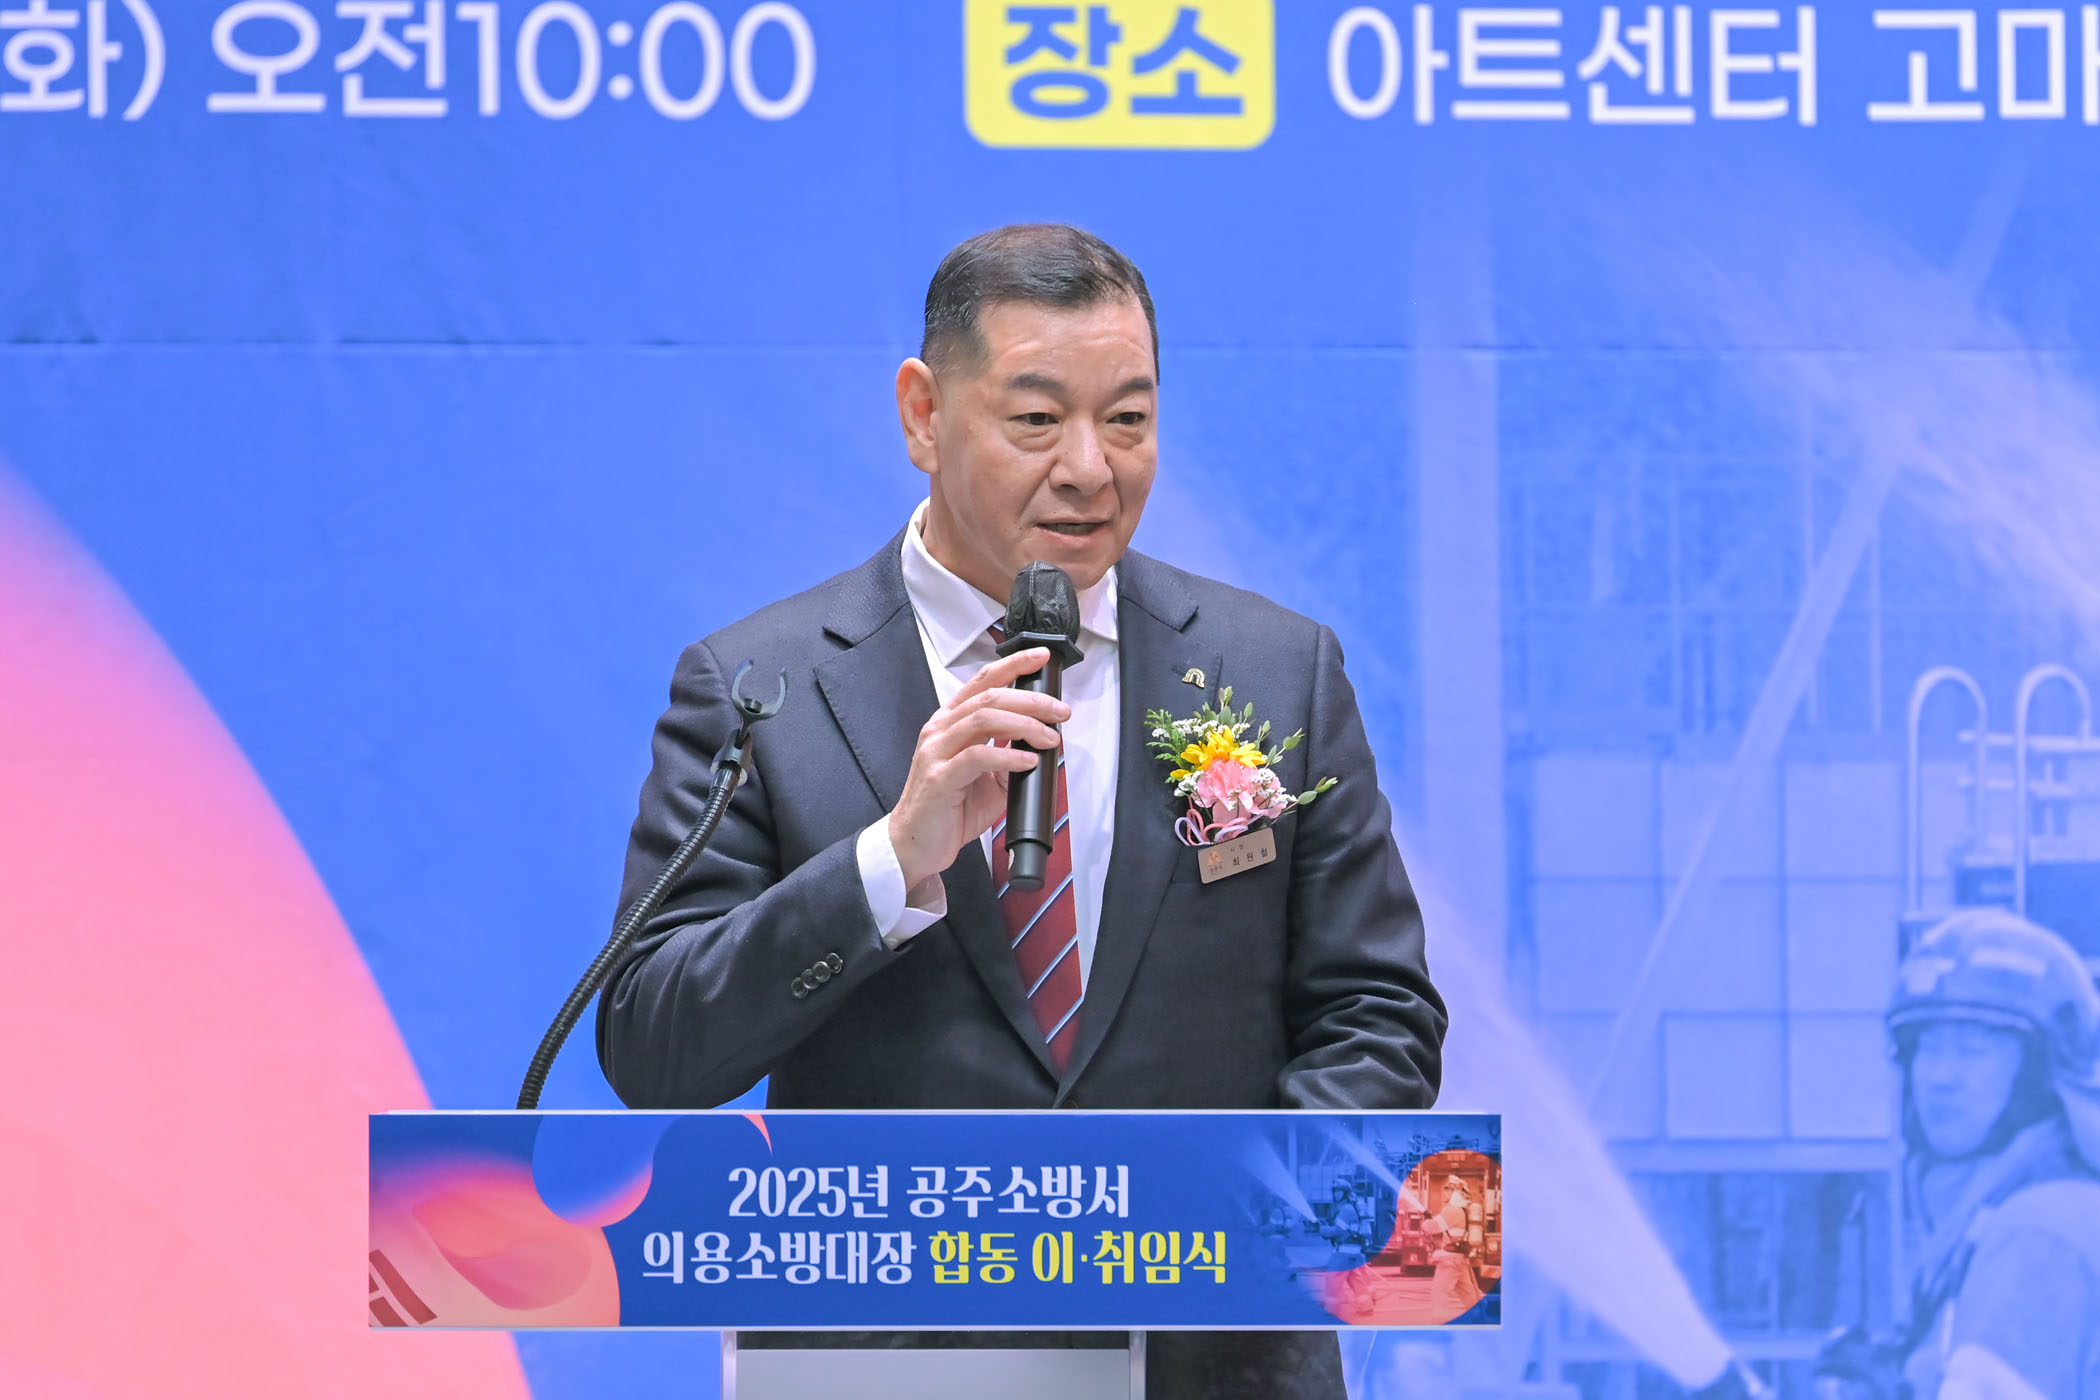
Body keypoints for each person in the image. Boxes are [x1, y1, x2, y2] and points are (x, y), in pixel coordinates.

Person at [594, 223, 1446, 1398]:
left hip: (1213, 1359)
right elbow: (652, 1043)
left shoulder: (1273, 670)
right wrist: (889, 861)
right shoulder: (761, 687)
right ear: (923, 414)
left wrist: (1239, 1235)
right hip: (887, 1371)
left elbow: (1376, 1011)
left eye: (1129, 418)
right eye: (1037, 419)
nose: (1091, 467)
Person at [1817, 908, 2100, 1400]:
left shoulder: (2036, 1232)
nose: (1941, 1077)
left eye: (1973, 1051)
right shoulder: (2000, 1219)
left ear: (2035, 1077)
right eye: (1929, 1048)